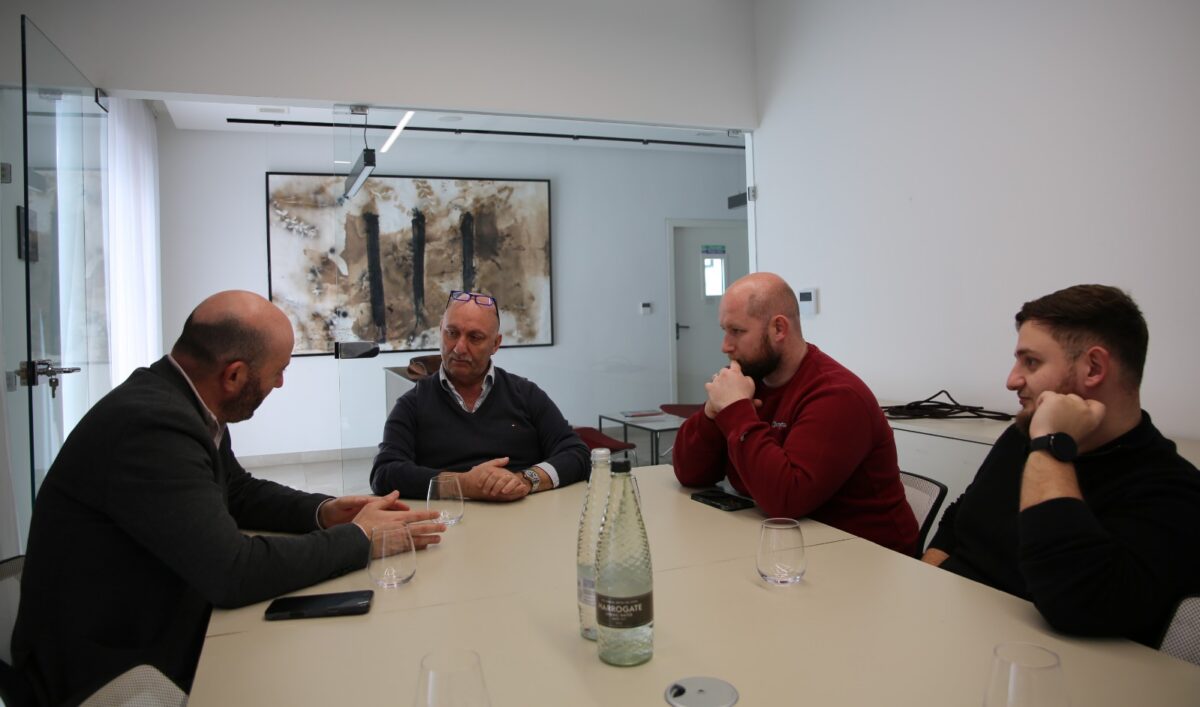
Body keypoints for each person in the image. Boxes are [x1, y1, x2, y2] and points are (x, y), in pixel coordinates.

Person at [11, 291, 446, 705]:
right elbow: (232, 571)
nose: (280, 383)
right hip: (111, 669)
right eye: (278, 371)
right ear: (234, 375)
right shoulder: (152, 426)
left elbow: (236, 491)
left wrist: (324, 512)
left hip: (151, 625)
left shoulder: (180, 401)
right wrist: (360, 537)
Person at [922, 284, 1200, 646]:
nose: (1011, 380)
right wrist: (926, 586)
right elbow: (959, 521)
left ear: (1093, 368)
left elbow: (1076, 605)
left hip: (1039, 661)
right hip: (946, 628)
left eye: (1031, 362)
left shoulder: (1174, 490)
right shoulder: (1020, 437)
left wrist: (1052, 445)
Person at [672, 272, 918, 554]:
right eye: (724, 331)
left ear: (779, 329)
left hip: (865, 557)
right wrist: (712, 412)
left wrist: (736, 411)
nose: (725, 345)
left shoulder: (836, 395)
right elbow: (689, 474)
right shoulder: (751, 381)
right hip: (792, 545)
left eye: (737, 331)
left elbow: (785, 500)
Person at [371, 290, 589, 500]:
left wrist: (525, 480)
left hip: (524, 512)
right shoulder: (413, 404)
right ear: (440, 331)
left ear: (496, 344)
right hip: (451, 518)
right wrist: (462, 484)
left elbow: (577, 453)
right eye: (452, 333)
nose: (459, 348)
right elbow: (384, 473)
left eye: (475, 337)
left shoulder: (526, 394)